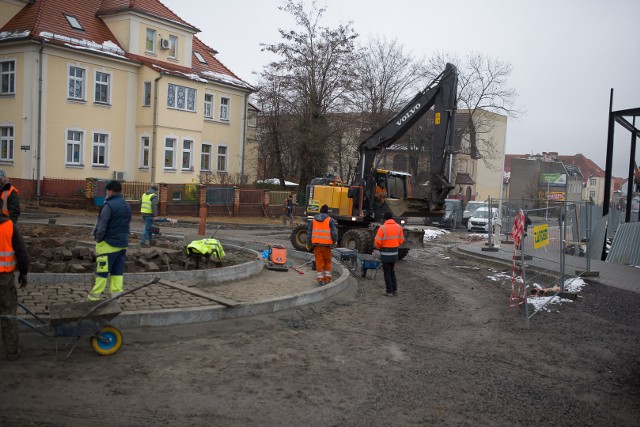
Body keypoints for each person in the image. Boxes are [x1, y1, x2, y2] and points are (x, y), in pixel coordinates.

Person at [88, 180, 132, 301]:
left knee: (101, 273)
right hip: (122, 244)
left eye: (107, 191)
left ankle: (94, 298)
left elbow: (102, 225)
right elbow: (127, 224)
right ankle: (115, 298)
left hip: (108, 244)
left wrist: (99, 238)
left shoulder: (109, 205)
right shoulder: (126, 205)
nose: (106, 193)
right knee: (117, 273)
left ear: (111, 191)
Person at [0, 210, 29, 361]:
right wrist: (23, 273)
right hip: (4, 278)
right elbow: (22, 252)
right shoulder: (9, 226)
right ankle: (11, 351)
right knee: (8, 312)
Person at [374, 211, 404, 296]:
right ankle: (394, 290)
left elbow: (377, 241)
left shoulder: (382, 228)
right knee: (392, 271)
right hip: (394, 253)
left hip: (385, 253)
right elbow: (401, 240)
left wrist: (380, 247)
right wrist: (395, 245)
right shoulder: (399, 227)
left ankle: (389, 291)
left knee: (386, 272)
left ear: (385, 219)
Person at [307, 204, 337, 285]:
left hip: (317, 245)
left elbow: (309, 233)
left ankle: (320, 279)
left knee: (319, 262)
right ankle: (327, 279)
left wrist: (308, 243)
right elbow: (334, 233)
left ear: (320, 211)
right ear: (327, 212)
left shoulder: (313, 220)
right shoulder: (330, 220)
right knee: (327, 261)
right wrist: (334, 241)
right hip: (327, 246)